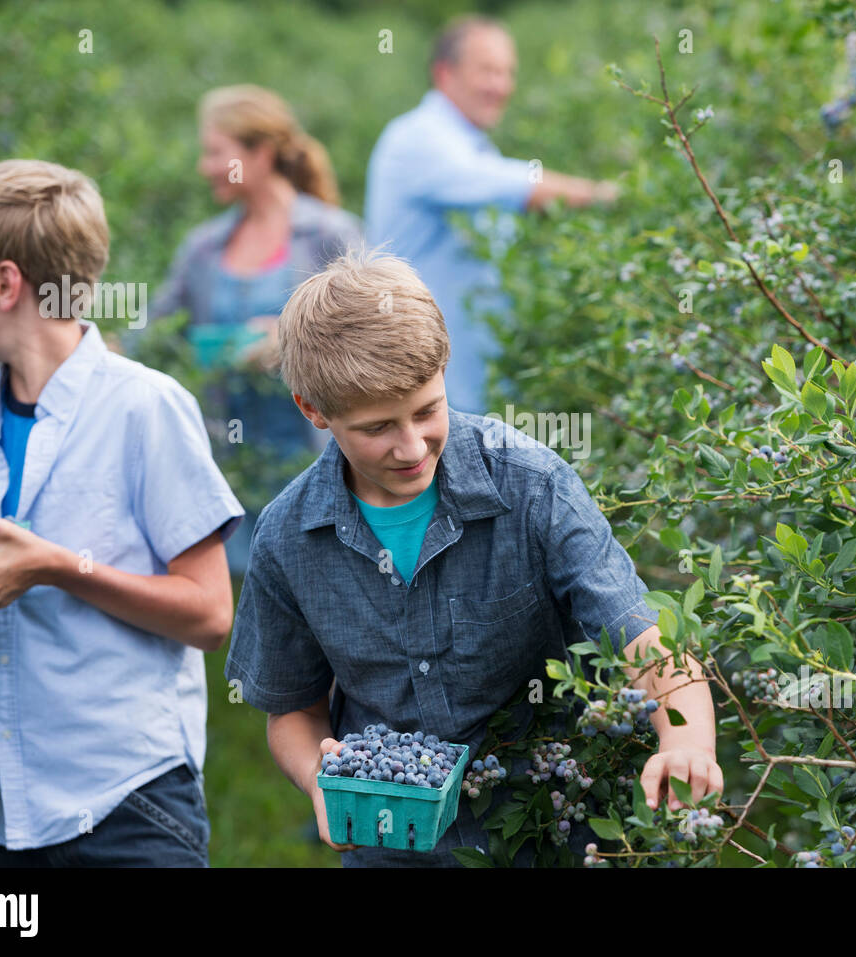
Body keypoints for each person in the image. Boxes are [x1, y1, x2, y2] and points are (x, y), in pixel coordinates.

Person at [224, 249, 721, 867]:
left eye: (427, 411)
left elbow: (645, 640)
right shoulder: (288, 537)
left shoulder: (529, 485)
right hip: (396, 846)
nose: (411, 446)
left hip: (554, 832)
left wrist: (687, 740)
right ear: (313, 410)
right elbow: (292, 709)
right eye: (378, 427)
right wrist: (319, 783)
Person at [0, 159, 244, 866]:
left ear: (6, 283)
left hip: (127, 802)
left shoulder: (143, 406)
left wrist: (57, 568)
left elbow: (209, 614)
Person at [149, 84, 363, 575]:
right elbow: (155, 335)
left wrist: (292, 339)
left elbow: (373, 337)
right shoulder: (204, 247)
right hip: (225, 463)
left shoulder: (330, 234)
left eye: (214, 152)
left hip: (312, 457)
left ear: (260, 153)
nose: (204, 166)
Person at [365, 15, 618, 416]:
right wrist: (604, 196)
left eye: (507, 73)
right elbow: (513, 184)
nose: (501, 86)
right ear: (445, 74)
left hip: (477, 389)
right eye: (487, 71)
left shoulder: (473, 146)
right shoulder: (417, 139)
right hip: (425, 392)